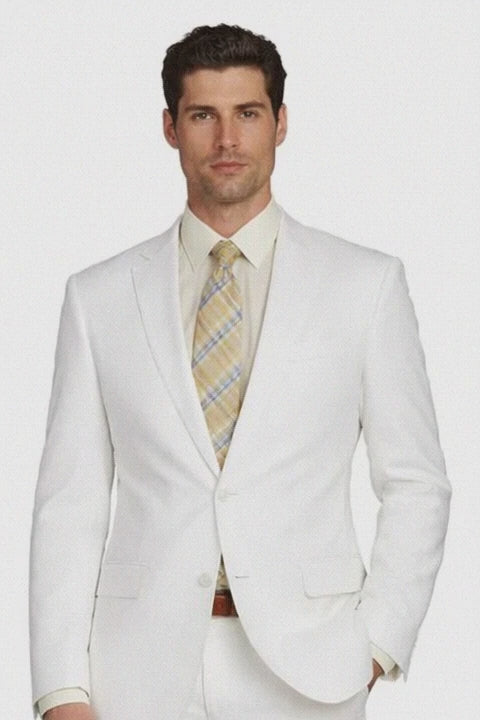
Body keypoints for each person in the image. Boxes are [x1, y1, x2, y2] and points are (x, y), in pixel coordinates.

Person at [29, 23, 451, 720]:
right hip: (133, 669)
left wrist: (376, 643)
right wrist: (60, 689)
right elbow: (69, 503)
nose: (227, 140)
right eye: (203, 116)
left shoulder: (365, 285)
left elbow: (416, 482)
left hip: (311, 669)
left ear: (280, 123)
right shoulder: (97, 297)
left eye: (247, 113)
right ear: (170, 128)